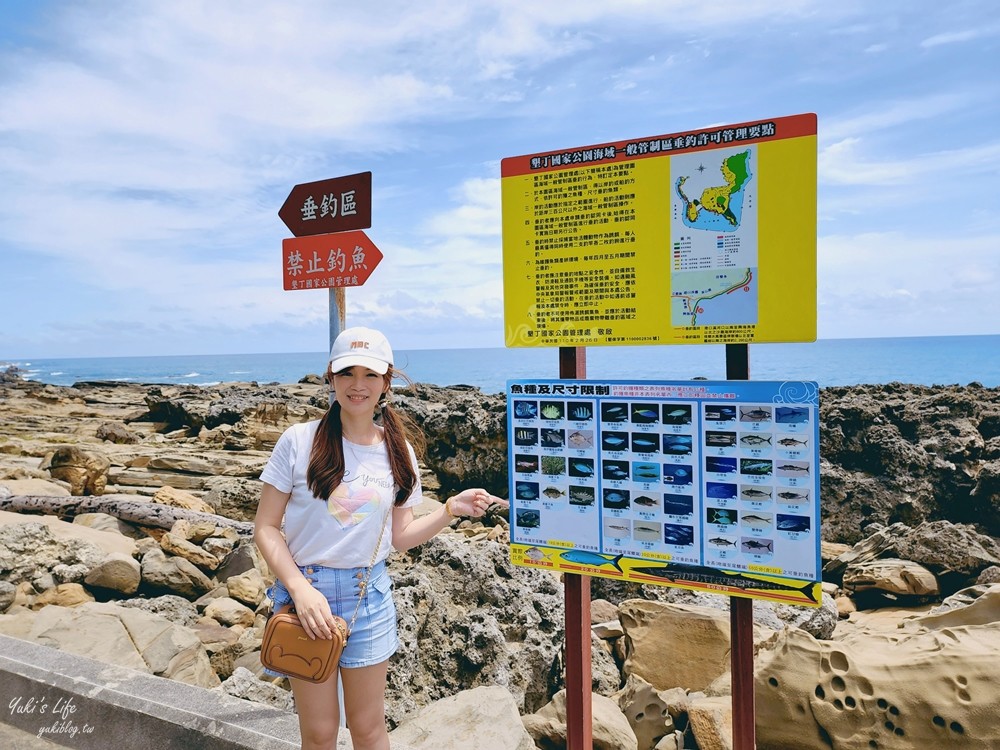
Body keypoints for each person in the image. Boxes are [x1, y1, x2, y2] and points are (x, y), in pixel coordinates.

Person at [254, 326, 504, 750]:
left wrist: (448, 510)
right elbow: (265, 527)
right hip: (305, 600)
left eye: (369, 375)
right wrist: (298, 588)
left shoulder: (398, 451)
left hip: (368, 597)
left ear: (386, 381)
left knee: (369, 730)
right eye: (347, 373)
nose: (357, 385)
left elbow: (400, 536)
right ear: (330, 378)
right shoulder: (298, 441)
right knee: (318, 733)